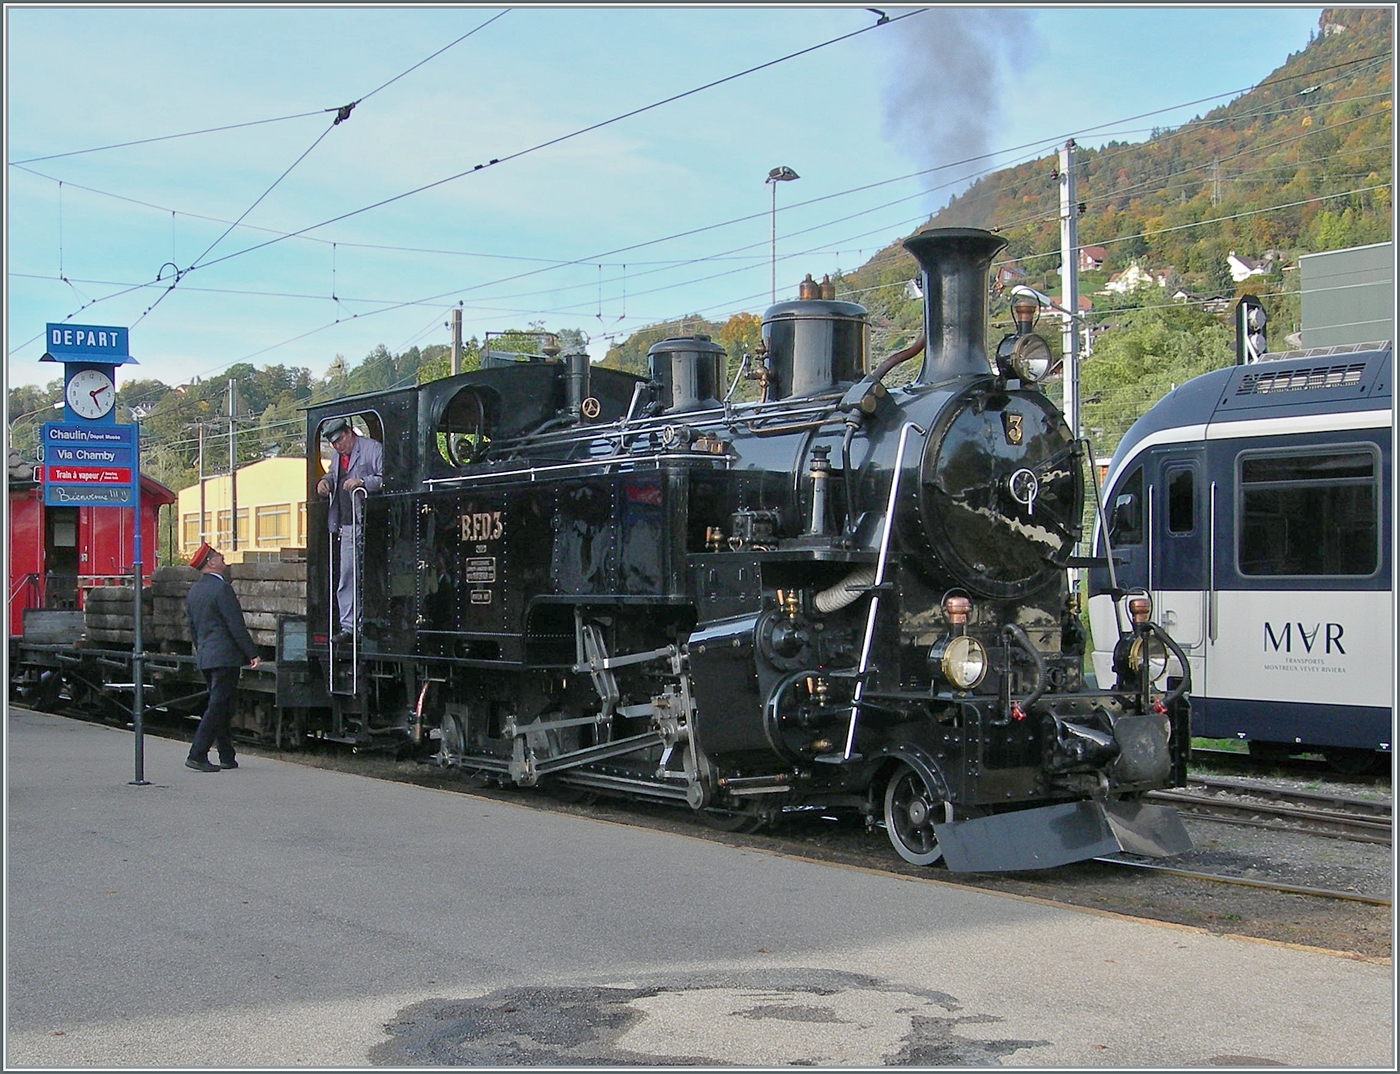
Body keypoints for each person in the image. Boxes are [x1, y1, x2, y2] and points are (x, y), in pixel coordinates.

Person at [184, 543, 260, 772]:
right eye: (220, 557)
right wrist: (252, 653)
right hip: (225, 657)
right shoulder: (222, 589)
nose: (224, 560)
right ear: (211, 562)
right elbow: (235, 624)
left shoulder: (194, 591)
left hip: (207, 655)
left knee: (223, 705)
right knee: (218, 706)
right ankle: (197, 753)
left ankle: (227, 755)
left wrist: (202, 651)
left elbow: (193, 628)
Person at [314, 417, 383, 642]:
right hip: (345, 524)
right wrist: (324, 482)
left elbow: (386, 479)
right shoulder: (337, 457)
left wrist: (362, 482)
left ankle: (364, 623)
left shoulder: (373, 449)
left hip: (371, 524)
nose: (338, 446)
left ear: (349, 433)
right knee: (346, 574)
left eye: (340, 440)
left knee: (361, 575)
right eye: (333, 444)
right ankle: (349, 625)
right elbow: (333, 475)